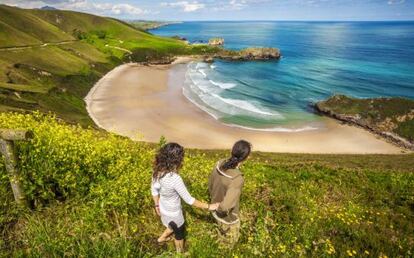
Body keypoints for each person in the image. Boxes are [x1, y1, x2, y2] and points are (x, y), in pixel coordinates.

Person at [151, 142, 219, 253]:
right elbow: (189, 200)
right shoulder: (175, 178)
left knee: (171, 225)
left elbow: (154, 190)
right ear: (176, 160)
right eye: (181, 158)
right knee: (179, 233)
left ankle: (161, 238)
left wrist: (156, 205)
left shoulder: (157, 171)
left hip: (163, 208)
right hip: (174, 213)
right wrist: (209, 206)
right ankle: (180, 253)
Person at [208, 140, 252, 247]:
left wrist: (213, 205)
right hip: (227, 218)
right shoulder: (237, 179)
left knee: (219, 233)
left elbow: (210, 184)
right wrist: (219, 208)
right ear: (246, 157)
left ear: (231, 151)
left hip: (213, 206)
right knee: (229, 244)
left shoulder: (219, 163)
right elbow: (226, 206)